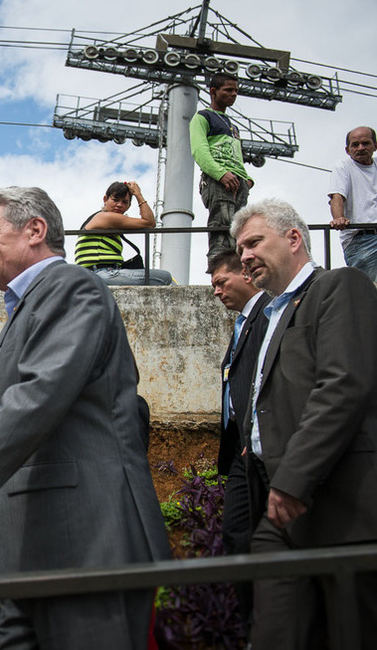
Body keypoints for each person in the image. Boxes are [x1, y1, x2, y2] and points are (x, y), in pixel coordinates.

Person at [0, 186, 170, 649]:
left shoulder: (72, 286)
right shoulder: (27, 306)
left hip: (87, 542)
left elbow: (38, 397)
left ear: (36, 231)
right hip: (34, 549)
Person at [231, 199, 377, 649]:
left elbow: (343, 385)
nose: (246, 256)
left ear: (294, 238)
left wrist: (293, 479)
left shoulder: (340, 286)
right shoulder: (265, 314)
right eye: (240, 252)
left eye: (254, 242)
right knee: (276, 632)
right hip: (277, 508)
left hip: (339, 506)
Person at [207, 250, 269, 632]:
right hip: (240, 454)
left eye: (221, 282)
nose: (215, 292)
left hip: (259, 451)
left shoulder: (268, 316)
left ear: (246, 275)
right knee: (237, 537)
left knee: (250, 538)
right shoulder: (243, 324)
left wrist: (255, 434)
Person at [190, 72, 254, 260]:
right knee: (222, 226)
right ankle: (218, 272)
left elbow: (237, 156)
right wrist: (220, 174)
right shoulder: (203, 117)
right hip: (219, 180)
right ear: (213, 91)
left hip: (238, 181)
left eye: (236, 90)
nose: (233, 94)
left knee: (239, 230)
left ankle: (237, 271)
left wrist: (247, 180)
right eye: (228, 90)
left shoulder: (233, 126)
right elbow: (199, 151)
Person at [75, 181, 173, 285]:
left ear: (129, 205)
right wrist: (138, 194)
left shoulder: (107, 221)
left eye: (124, 202)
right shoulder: (104, 217)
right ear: (105, 199)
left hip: (98, 273)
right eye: (115, 200)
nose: (119, 205)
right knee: (164, 277)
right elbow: (149, 223)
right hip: (100, 273)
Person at [328, 125, 377, 281]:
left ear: (375, 146)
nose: (360, 148)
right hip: (361, 239)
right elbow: (337, 195)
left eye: (365, 143)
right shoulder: (343, 167)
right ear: (348, 150)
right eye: (355, 145)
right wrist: (338, 218)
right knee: (370, 290)